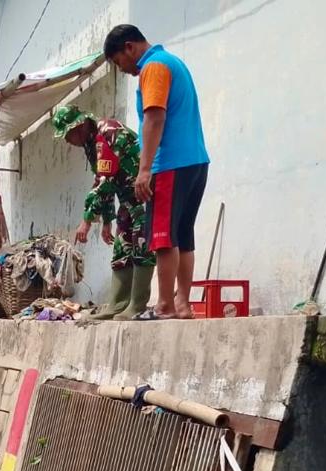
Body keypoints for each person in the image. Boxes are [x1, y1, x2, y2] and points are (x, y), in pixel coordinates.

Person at [103, 24, 210, 319]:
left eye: (117, 61)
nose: (121, 68)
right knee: (183, 236)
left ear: (128, 47)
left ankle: (164, 305)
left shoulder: (154, 67)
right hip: (196, 162)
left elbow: (154, 118)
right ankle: (182, 304)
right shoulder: (175, 63)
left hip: (171, 164)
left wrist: (145, 169)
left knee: (163, 238)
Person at [52, 104, 156, 320]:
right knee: (122, 247)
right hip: (126, 199)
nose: (67, 142)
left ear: (78, 127)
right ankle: (118, 304)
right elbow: (105, 176)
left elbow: (103, 181)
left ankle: (136, 304)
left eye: (67, 136)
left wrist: (87, 221)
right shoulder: (91, 143)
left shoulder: (107, 133)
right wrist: (107, 220)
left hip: (144, 194)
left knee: (141, 245)